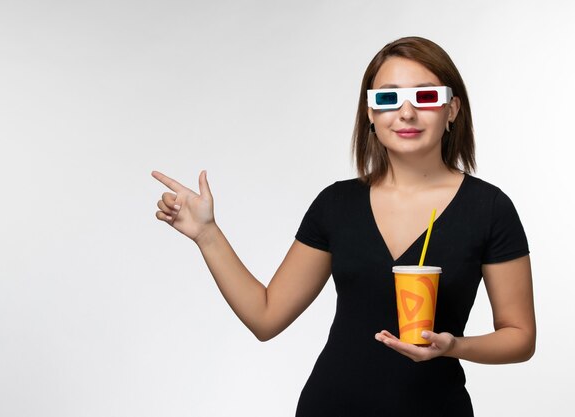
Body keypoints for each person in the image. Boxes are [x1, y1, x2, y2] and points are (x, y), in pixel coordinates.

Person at [151, 36, 536, 417]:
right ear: (370, 113)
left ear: (451, 110)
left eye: (426, 97)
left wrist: (454, 347)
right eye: (387, 98)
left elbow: (520, 337)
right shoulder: (337, 204)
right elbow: (266, 317)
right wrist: (207, 234)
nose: (406, 113)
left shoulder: (489, 208)